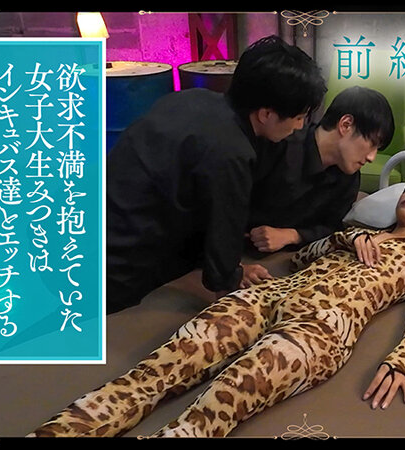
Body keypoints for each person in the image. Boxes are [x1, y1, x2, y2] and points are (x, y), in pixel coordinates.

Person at [29, 173, 405, 438]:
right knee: (160, 369)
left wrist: (399, 361)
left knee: (224, 399)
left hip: (321, 329)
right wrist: (347, 237)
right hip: (270, 296)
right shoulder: (357, 234)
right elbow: (300, 257)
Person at [106, 35, 326, 313]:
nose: (300, 127)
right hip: (118, 262)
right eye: (299, 117)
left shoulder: (191, 98)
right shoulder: (230, 151)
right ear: (266, 114)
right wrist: (231, 277)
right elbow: (224, 232)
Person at [243, 86, 395, 276]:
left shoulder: (348, 175)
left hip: (292, 256)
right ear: (346, 125)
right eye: (372, 144)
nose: (372, 157)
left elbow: (333, 226)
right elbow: (225, 200)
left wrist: (292, 235)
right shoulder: (280, 144)